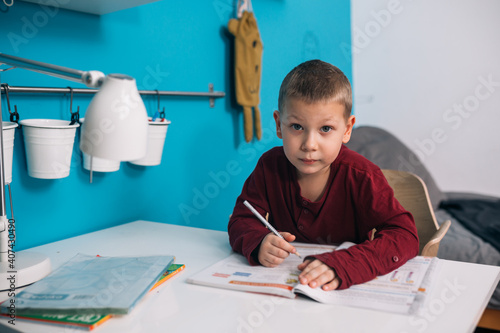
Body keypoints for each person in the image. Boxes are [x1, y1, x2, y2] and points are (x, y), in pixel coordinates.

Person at [228, 59, 419, 291]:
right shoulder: (269, 167)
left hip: (344, 292)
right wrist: (258, 242)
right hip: (283, 292)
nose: (309, 144)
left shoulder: (362, 176)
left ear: (347, 129)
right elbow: (241, 220)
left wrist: (345, 265)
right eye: (297, 127)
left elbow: (405, 235)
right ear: (279, 125)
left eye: (325, 129)